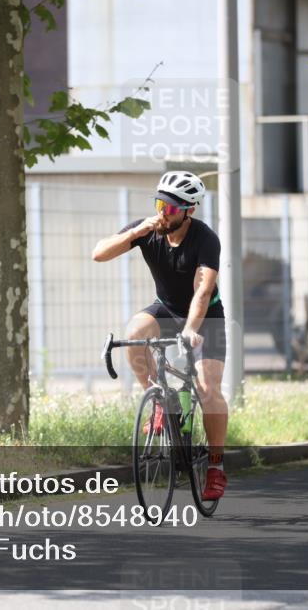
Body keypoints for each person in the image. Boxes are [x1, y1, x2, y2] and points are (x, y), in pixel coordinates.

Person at [91, 171, 228, 500]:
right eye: (159, 204)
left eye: (170, 209)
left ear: (188, 211)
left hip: (206, 315)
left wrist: (191, 330)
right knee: (135, 332)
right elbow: (98, 253)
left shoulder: (205, 239)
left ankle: (215, 466)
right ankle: (158, 402)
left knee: (209, 388)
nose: (162, 213)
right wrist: (136, 232)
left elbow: (203, 290)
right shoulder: (149, 228)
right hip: (166, 308)